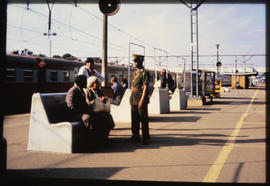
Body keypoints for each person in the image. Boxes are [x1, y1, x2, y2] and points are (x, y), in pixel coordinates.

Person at [84, 76, 115, 147]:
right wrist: (95, 101)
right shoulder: (88, 91)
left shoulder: (99, 91)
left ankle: (104, 138)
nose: (99, 84)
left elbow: (102, 99)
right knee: (101, 117)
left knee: (107, 116)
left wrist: (103, 99)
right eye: (97, 82)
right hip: (92, 110)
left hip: (100, 110)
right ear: (92, 84)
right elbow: (87, 102)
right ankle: (99, 140)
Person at [129, 54, 150, 145]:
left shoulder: (144, 72)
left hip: (140, 96)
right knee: (134, 118)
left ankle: (145, 138)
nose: (134, 63)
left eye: (136, 61)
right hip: (133, 96)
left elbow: (145, 87)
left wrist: (142, 100)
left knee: (143, 118)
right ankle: (135, 136)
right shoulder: (135, 72)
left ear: (140, 62)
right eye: (134, 61)